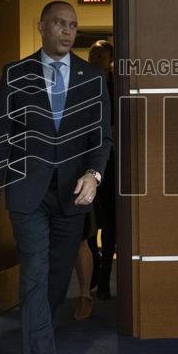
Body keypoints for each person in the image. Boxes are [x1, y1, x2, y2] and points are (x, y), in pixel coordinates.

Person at [0, 0, 112, 354]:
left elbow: (101, 135)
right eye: (59, 23)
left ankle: (42, 339)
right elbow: (1, 134)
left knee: (56, 277)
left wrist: (94, 174)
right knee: (34, 273)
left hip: (72, 194)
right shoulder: (15, 74)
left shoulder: (93, 77)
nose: (67, 31)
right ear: (41, 26)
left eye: (72, 25)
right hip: (27, 192)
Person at [72, 39, 116, 319]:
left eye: (100, 55)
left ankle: (105, 276)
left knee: (110, 221)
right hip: (81, 162)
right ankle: (93, 272)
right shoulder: (79, 82)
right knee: (87, 223)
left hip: (111, 162)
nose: (94, 58)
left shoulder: (118, 84)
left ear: (110, 60)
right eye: (91, 53)